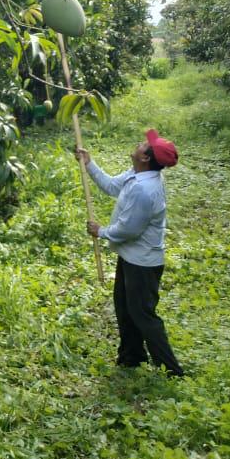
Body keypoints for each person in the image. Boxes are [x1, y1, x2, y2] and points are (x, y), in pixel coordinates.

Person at [75, 130, 185, 377]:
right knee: (125, 309)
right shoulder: (137, 175)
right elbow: (112, 186)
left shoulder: (145, 190)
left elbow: (129, 229)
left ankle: (172, 371)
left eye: (145, 144)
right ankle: (131, 358)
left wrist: (101, 231)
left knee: (143, 315)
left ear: (146, 158)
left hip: (143, 263)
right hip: (131, 257)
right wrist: (89, 163)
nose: (140, 143)